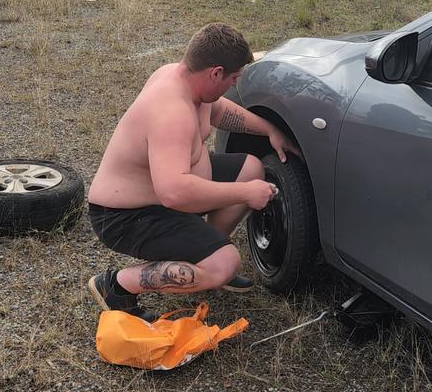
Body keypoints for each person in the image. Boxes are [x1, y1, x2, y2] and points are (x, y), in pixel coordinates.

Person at [86, 23, 299, 321]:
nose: (234, 85)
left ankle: (202, 258)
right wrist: (246, 194)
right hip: (125, 215)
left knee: (251, 168)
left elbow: (219, 111)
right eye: (233, 78)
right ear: (215, 73)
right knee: (225, 263)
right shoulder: (171, 112)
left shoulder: (183, 78)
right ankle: (117, 285)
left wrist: (269, 129)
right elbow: (174, 192)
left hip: (164, 194)